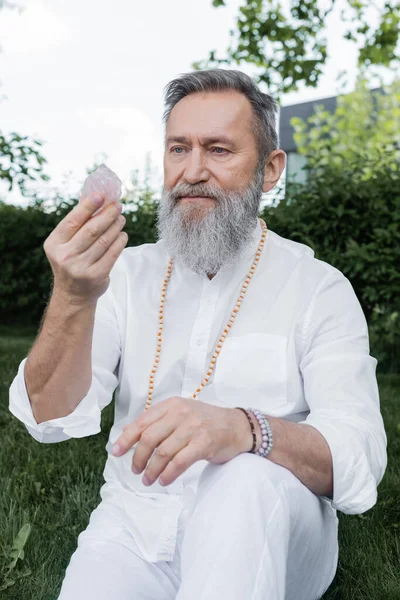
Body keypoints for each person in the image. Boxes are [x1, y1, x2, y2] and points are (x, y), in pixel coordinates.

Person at [9, 69, 387, 600]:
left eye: (218, 150)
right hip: (134, 525)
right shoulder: (125, 275)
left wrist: (245, 430)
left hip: (271, 521)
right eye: (178, 149)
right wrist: (73, 298)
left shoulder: (317, 288)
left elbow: (357, 453)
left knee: (243, 480)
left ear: (271, 169)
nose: (192, 171)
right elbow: (48, 418)